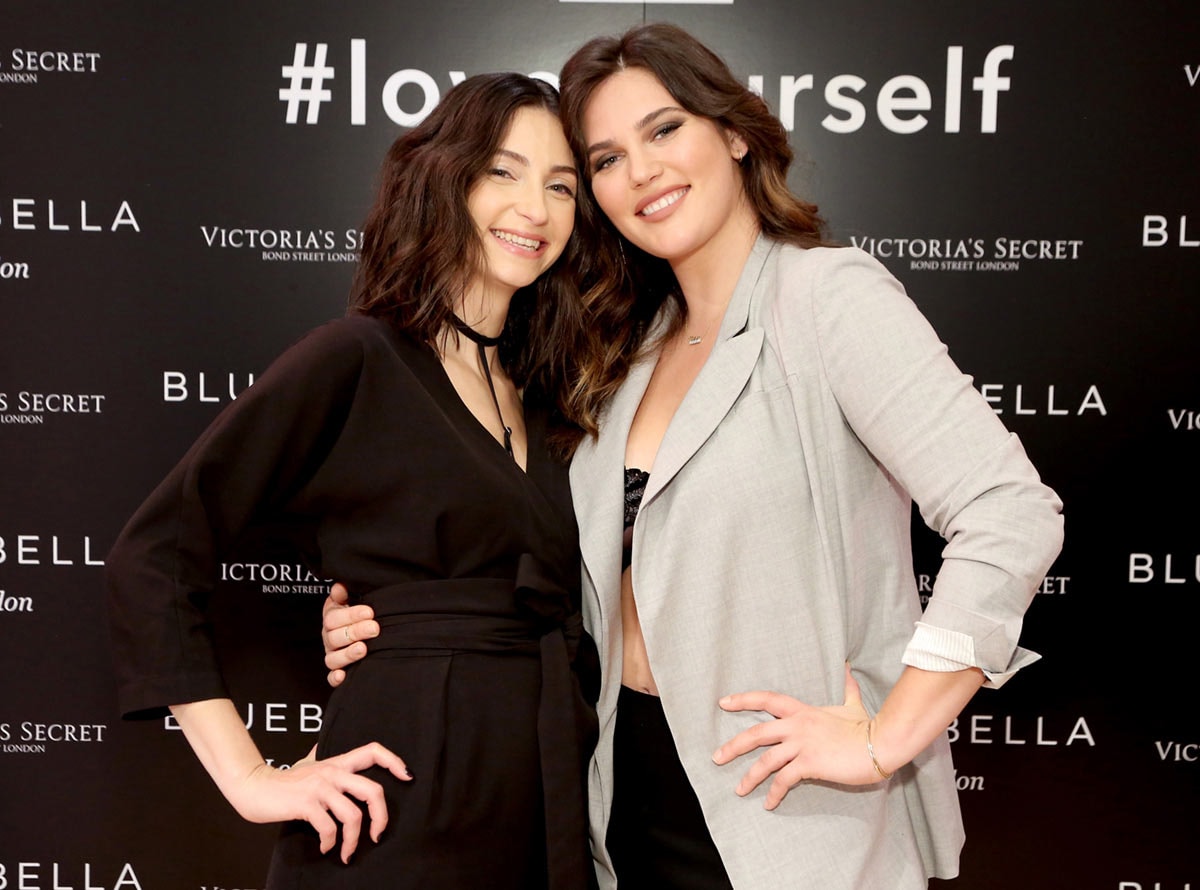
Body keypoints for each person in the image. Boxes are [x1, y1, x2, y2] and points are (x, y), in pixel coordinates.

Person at [322, 23, 1064, 890]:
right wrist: (394, 618)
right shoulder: (626, 346)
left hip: (788, 809)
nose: (641, 172)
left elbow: (1009, 511)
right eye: (606, 159)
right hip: (619, 798)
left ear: (735, 133)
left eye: (665, 129)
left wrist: (885, 737)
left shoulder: (825, 297)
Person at [105, 72, 599, 890]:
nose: (535, 209)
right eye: (502, 172)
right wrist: (250, 777)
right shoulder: (357, 358)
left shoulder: (552, 396)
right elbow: (153, 556)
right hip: (397, 796)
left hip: (544, 794)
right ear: (445, 180)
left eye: (561, 186)